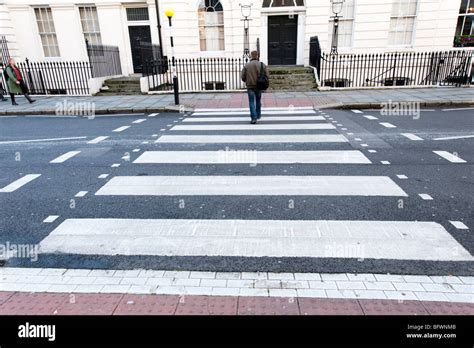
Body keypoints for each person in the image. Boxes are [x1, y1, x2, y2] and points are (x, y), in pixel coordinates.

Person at [241, 51, 268, 124]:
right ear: (257, 56)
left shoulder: (247, 65)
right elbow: (267, 76)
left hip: (250, 86)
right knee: (258, 100)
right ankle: (258, 114)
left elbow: (243, 77)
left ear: (251, 56)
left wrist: (247, 80)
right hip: (259, 86)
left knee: (251, 102)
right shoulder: (262, 65)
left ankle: (253, 118)